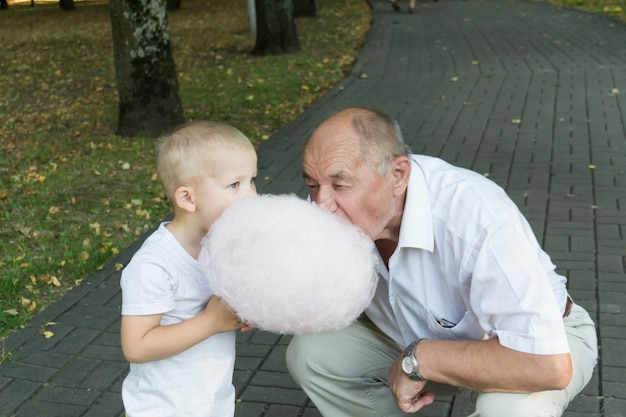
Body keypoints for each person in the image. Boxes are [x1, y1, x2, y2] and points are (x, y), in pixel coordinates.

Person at [286, 107, 597, 417]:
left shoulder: (479, 218)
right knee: (311, 355)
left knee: (506, 411)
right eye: (312, 185)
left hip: (534, 344)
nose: (320, 205)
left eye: (340, 186)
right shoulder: (336, 216)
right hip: (407, 336)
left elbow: (547, 364)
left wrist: (422, 359)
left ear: (398, 175)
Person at [119, 121, 258, 417]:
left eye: (252, 181)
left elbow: (225, 309)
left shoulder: (220, 248)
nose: (250, 196)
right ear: (187, 198)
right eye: (235, 185)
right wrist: (211, 322)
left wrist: (244, 310)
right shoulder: (154, 265)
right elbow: (136, 346)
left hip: (212, 404)